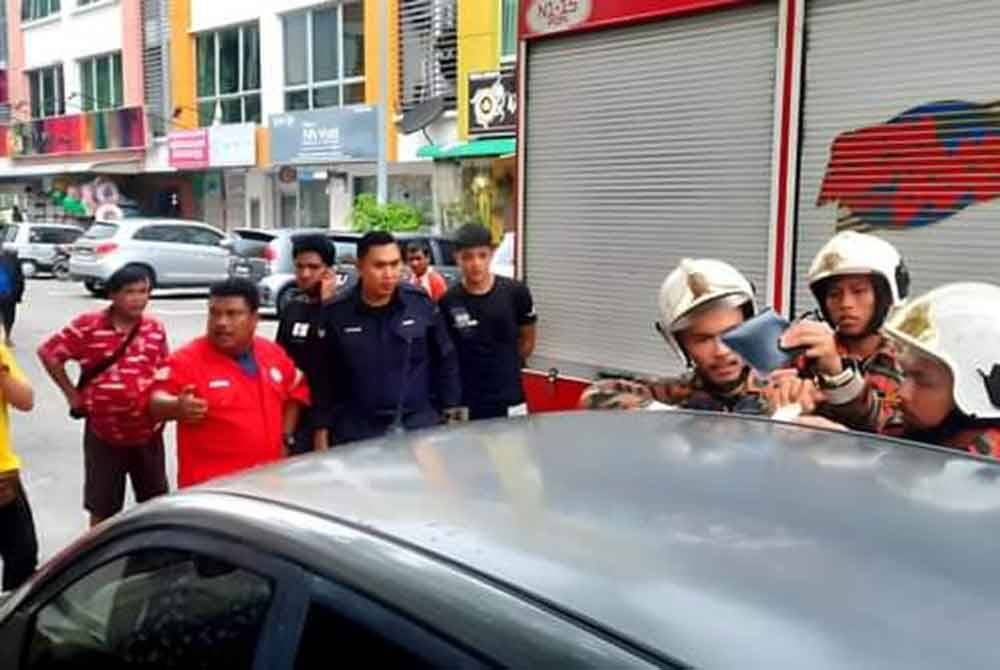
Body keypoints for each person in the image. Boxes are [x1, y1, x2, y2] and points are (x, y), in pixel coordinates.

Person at [38, 266, 169, 527]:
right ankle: (100, 552)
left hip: (147, 432)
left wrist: (165, 409)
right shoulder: (88, 326)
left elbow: (165, 370)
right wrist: (72, 395)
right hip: (103, 433)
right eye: (129, 292)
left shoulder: (154, 328)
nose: (138, 299)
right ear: (113, 295)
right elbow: (49, 353)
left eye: (143, 291)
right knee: (102, 508)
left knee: (156, 505)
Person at [150, 279, 310, 488]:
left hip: (267, 483)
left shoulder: (272, 353)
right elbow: (155, 401)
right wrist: (175, 407)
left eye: (232, 314)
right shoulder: (187, 360)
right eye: (214, 313)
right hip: (214, 491)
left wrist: (286, 437)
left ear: (254, 319)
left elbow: (296, 388)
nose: (221, 322)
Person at [314, 231, 462, 444]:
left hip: (417, 428)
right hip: (357, 431)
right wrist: (321, 430)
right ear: (360, 266)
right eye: (379, 265)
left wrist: (451, 415)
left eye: (394, 264)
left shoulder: (419, 304)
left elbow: (446, 360)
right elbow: (322, 379)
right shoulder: (337, 313)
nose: (389, 274)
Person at [580, 258, 770, 413]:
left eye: (732, 332)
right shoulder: (678, 393)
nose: (721, 351)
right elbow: (595, 395)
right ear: (681, 344)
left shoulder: (780, 387)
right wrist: (673, 416)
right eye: (702, 339)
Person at [776, 231, 908, 434]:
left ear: (884, 296)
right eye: (834, 294)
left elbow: (891, 427)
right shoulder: (805, 354)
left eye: (859, 291)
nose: (846, 304)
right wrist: (781, 395)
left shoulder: (907, 364)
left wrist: (836, 376)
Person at [882, 282, 1000, 456]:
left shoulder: (984, 467)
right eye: (905, 375)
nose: (902, 393)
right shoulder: (916, 435)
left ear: (978, 393)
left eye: (922, 380)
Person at [440, 224, 537, 420]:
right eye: (467, 257)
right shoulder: (448, 301)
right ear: (457, 258)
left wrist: (506, 367)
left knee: (514, 441)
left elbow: (528, 340)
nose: (475, 263)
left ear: (492, 254)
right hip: (465, 401)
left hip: (509, 398)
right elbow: (446, 354)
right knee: (463, 442)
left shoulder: (516, 292)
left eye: (482, 255)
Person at [275, 234, 338, 454]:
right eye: (300, 267)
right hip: (297, 415)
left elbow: (332, 360)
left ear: (329, 271)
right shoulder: (292, 309)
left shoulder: (342, 310)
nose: (305, 274)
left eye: (313, 267)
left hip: (334, 419)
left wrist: (328, 305)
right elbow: (281, 362)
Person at [0, 343, 37, 590]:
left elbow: (25, 401)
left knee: (22, 556)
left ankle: (11, 611)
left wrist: (2, 374)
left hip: (3, 475)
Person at [0, 248, 25, 347]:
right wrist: (18, 297)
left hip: (7, 295)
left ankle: (6, 338)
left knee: (7, 317)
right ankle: (7, 337)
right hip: (9, 296)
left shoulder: (13, 261)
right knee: (9, 318)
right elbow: (20, 281)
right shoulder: (14, 261)